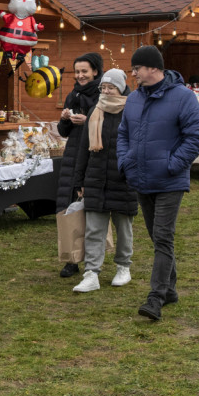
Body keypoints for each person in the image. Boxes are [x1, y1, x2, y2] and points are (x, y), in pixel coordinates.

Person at [117, 45, 199, 321]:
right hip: (141, 178)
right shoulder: (133, 100)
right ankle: (170, 290)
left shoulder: (183, 98)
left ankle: (155, 298)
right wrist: (126, 161)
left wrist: (172, 165)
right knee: (157, 238)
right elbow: (123, 135)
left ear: (154, 68)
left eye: (137, 68)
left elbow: (196, 138)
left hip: (169, 181)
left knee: (163, 238)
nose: (133, 74)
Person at [71, 69, 137, 293]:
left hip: (124, 179)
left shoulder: (132, 110)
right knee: (94, 230)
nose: (106, 91)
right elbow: (84, 149)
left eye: (111, 87)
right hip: (96, 178)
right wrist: (79, 180)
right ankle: (91, 273)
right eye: (104, 87)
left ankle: (123, 267)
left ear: (121, 88)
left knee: (123, 228)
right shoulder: (95, 110)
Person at [55, 52, 103, 279]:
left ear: (95, 71)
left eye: (85, 71)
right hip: (72, 156)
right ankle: (71, 260)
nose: (81, 75)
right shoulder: (73, 94)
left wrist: (88, 121)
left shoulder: (103, 94)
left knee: (91, 210)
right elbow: (63, 132)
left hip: (92, 156)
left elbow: (108, 128)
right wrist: (64, 119)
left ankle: (94, 260)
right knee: (69, 207)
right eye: (77, 72)